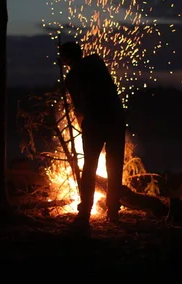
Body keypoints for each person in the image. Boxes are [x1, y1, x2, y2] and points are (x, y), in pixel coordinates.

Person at [59, 41, 126, 226]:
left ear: (66, 59)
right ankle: (113, 211)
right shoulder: (96, 61)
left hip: (95, 123)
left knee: (89, 168)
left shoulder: (72, 77)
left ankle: (85, 212)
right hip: (116, 119)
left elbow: (78, 107)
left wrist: (83, 125)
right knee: (114, 166)